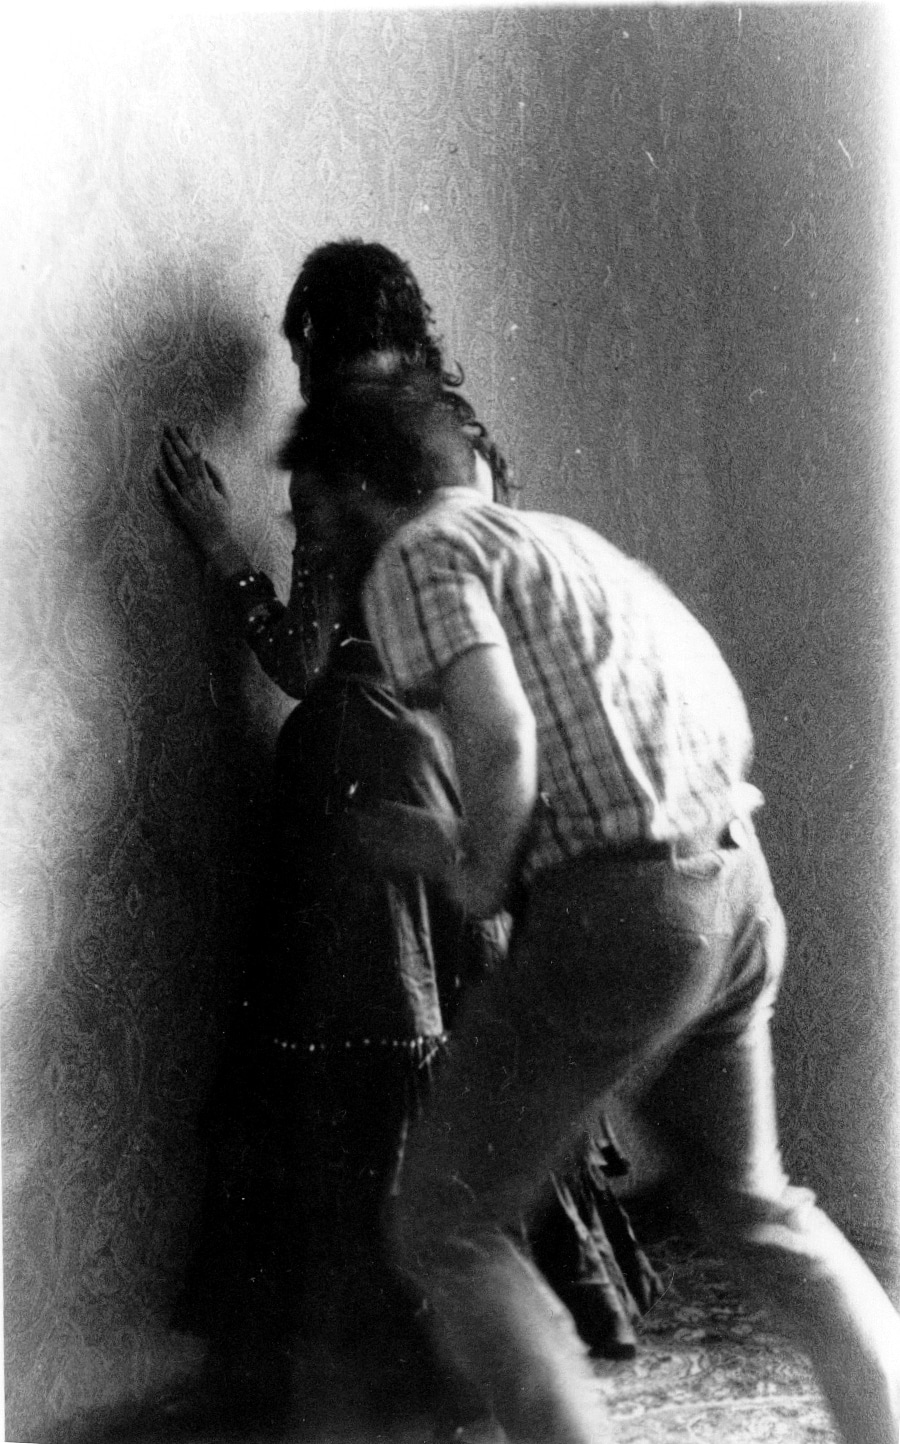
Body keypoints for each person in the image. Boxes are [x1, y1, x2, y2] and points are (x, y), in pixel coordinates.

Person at [283, 370, 900, 1444]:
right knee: (756, 1204)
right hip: (734, 888)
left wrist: (474, 876)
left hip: (628, 915)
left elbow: (503, 736)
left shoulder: (420, 553)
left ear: (364, 487)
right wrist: (471, 844)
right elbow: (685, 725)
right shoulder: (564, 546)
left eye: (316, 513)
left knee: (443, 1219)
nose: (316, 543)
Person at [154, 241, 661, 1435]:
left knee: (363, 1058)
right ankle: (482, 1357)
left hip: (357, 772)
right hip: (461, 761)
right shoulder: (469, 444)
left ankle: (384, 1370)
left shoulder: (343, 455)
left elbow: (302, 658)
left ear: (318, 346)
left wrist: (219, 543)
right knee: (453, 1044)